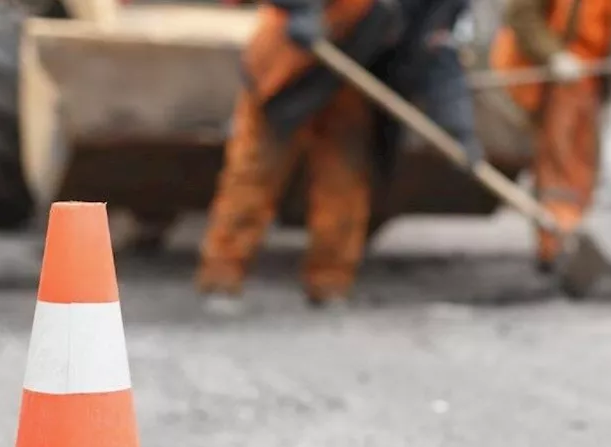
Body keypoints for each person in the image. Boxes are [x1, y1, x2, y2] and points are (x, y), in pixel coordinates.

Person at [195, 0, 482, 308]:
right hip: (288, 67)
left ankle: (330, 284)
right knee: (254, 178)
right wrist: (303, 9)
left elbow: (438, 59)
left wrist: (459, 130)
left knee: (344, 187)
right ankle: (222, 279)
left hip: (347, 82)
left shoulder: (442, 6)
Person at [490, 0, 611, 271]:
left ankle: (571, 233)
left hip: (588, 74)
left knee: (583, 162)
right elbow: (523, 16)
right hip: (546, 75)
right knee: (558, 161)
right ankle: (556, 243)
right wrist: (553, 55)